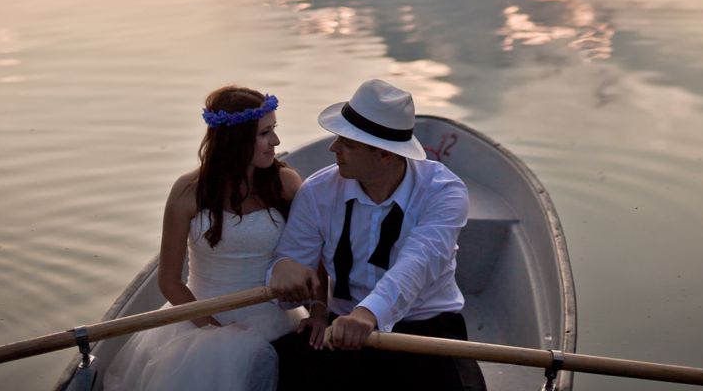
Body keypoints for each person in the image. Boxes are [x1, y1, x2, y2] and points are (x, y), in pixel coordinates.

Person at [269, 78, 486, 391]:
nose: (333, 149)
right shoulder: (318, 191)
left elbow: (418, 262)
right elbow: (291, 261)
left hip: (427, 328)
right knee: (284, 369)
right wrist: (284, 267)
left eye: (348, 144)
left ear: (385, 155)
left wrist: (369, 313)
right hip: (341, 327)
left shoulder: (443, 192)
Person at [105, 85, 325, 391]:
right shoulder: (187, 191)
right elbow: (168, 280)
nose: (275, 141)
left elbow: (317, 250)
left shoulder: (285, 183)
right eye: (264, 133)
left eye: (273, 130)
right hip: (202, 324)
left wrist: (318, 310)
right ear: (235, 140)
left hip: (276, 320)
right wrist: (218, 332)